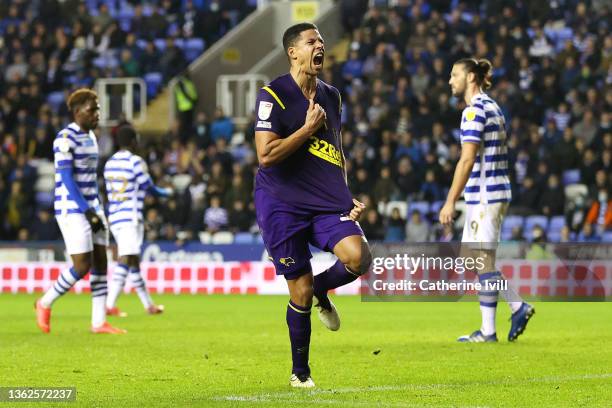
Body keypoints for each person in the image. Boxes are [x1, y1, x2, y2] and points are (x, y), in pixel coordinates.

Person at [253, 23, 371, 388]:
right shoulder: (272, 94)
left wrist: (344, 193)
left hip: (323, 201)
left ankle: (323, 288)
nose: (320, 45)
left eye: (321, 40)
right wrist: (305, 130)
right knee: (299, 291)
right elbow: (265, 155)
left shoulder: (332, 96)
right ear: (293, 52)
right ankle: (300, 372)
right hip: (281, 204)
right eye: (311, 41)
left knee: (359, 257)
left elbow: (336, 149)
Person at [439, 58, 534, 343]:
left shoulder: (473, 111)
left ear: (470, 77)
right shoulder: (493, 106)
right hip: (495, 191)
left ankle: (512, 311)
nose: (450, 80)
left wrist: (450, 200)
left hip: (484, 196)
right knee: (476, 260)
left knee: (480, 259)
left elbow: (467, 158)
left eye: (454, 74)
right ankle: (494, 326)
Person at [35, 88, 125, 334]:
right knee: (82, 265)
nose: (97, 114)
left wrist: (97, 208)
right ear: (77, 112)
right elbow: (65, 178)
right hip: (73, 209)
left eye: (98, 109)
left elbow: (90, 179)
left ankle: (98, 322)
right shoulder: (64, 139)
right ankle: (44, 302)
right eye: (92, 109)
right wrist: (87, 211)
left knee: (100, 262)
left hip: (92, 207)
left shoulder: (92, 137)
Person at [104, 125, 171, 317]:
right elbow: (149, 187)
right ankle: (109, 304)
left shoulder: (109, 163)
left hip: (115, 216)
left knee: (133, 261)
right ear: (133, 141)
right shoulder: (135, 162)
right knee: (127, 257)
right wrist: (167, 192)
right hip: (129, 216)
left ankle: (148, 305)